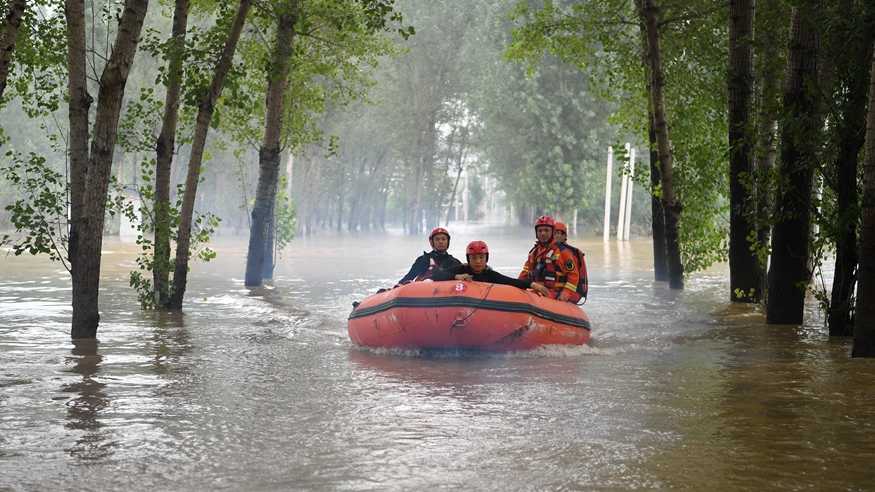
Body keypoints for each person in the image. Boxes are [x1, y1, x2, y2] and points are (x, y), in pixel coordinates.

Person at [432, 241, 551, 296]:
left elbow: (510, 281)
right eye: (474, 258)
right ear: (468, 260)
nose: (478, 261)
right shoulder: (461, 270)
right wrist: (456, 277)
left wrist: (532, 285)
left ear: (486, 259)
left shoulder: (490, 274)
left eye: (481, 257)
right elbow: (436, 275)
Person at [518, 215, 581, 303]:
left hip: (555, 294)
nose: (543, 233)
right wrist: (517, 287)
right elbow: (524, 274)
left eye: (546, 230)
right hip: (537, 292)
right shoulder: (534, 253)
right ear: (536, 233)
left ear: (552, 232)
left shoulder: (563, 252)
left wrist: (566, 293)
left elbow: (573, 275)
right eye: (540, 231)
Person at [396, 227, 462, 285]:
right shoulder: (423, 260)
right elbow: (409, 276)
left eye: (443, 239)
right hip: (424, 293)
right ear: (432, 242)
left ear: (448, 242)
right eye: (437, 239)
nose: (441, 242)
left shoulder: (454, 262)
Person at [554, 221, 588, 301]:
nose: (558, 235)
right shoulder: (543, 250)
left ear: (565, 236)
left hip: (565, 291)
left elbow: (573, 275)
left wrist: (566, 292)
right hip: (550, 290)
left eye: (561, 233)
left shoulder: (567, 253)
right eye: (556, 233)